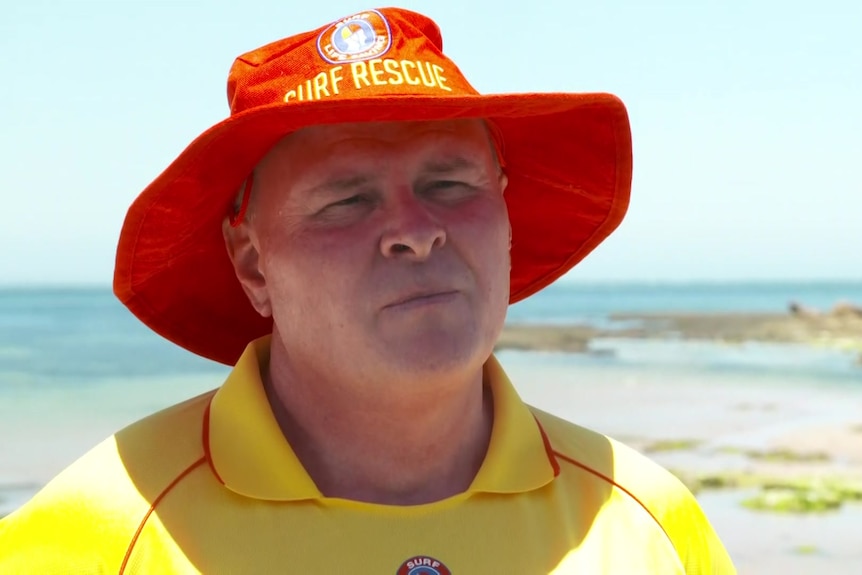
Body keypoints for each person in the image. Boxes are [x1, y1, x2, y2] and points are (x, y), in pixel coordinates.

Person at [0, 7, 735, 574]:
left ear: (505, 214)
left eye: (450, 183)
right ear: (252, 261)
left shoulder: (648, 522)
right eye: (346, 200)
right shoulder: (92, 534)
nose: (415, 232)